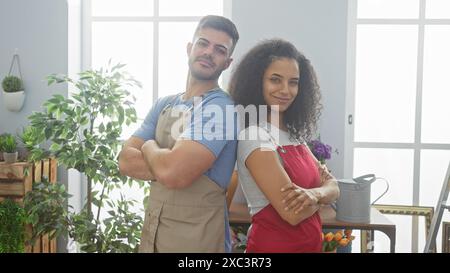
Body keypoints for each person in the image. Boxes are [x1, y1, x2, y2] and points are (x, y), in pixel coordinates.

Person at [118, 15, 239, 253]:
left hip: (196, 242)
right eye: (203, 43)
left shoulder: (220, 108)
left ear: (227, 62)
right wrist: (166, 165)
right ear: (189, 48)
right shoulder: (164, 103)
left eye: (219, 50)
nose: (208, 52)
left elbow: (175, 174)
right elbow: (124, 160)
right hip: (154, 234)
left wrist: (149, 146)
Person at [229, 39, 340, 253]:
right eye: (275, 80)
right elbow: (293, 213)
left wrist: (314, 195)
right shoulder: (255, 135)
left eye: (293, 82)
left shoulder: (295, 136)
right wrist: (325, 193)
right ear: (257, 82)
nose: (285, 90)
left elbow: (336, 186)